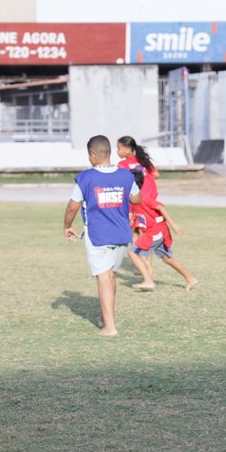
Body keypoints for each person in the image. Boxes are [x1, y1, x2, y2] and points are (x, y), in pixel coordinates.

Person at [64, 135, 141, 337]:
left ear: (92, 155)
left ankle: (110, 327)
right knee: (111, 276)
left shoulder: (86, 177)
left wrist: (67, 225)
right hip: (122, 234)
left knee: (104, 278)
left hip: (98, 235)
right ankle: (104, 317)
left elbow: (73, 206)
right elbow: (136, 199)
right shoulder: (126, 175)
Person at [128, 169, 199, 292]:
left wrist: (174, 225)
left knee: (133, 253)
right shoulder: (131, 200)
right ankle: (190, 278)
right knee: (167, 259)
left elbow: (160, 206)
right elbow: (130, 217)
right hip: (155, 231)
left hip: (156, 231)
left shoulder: (143, 198)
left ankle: (148, 281)